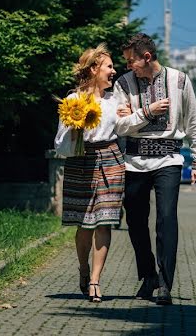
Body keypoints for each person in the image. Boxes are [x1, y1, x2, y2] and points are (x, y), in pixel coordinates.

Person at [113, 33, 196, 306]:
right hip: (134, 161)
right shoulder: (123, 84)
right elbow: (120, 127)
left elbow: (193, 121)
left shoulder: (179, 80)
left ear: (147, 57)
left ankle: (166, 283)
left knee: (166, 219)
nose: (128, 66)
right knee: (136, 222)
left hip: (169, 159)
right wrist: (148, 112)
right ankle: (148, 275)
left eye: (131, 61)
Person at [54, 44, 126, 303]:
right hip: (81, 161)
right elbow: (59, 144)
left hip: (111, 160)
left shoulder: (116, 101)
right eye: (109, 66)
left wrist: (131, 116)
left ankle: (95, 279)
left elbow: (126, 128)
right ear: (94, 69)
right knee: (84, 224)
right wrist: (76, 129)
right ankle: (83, 269)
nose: (113, 71)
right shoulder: (73, 101)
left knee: (105, 221)